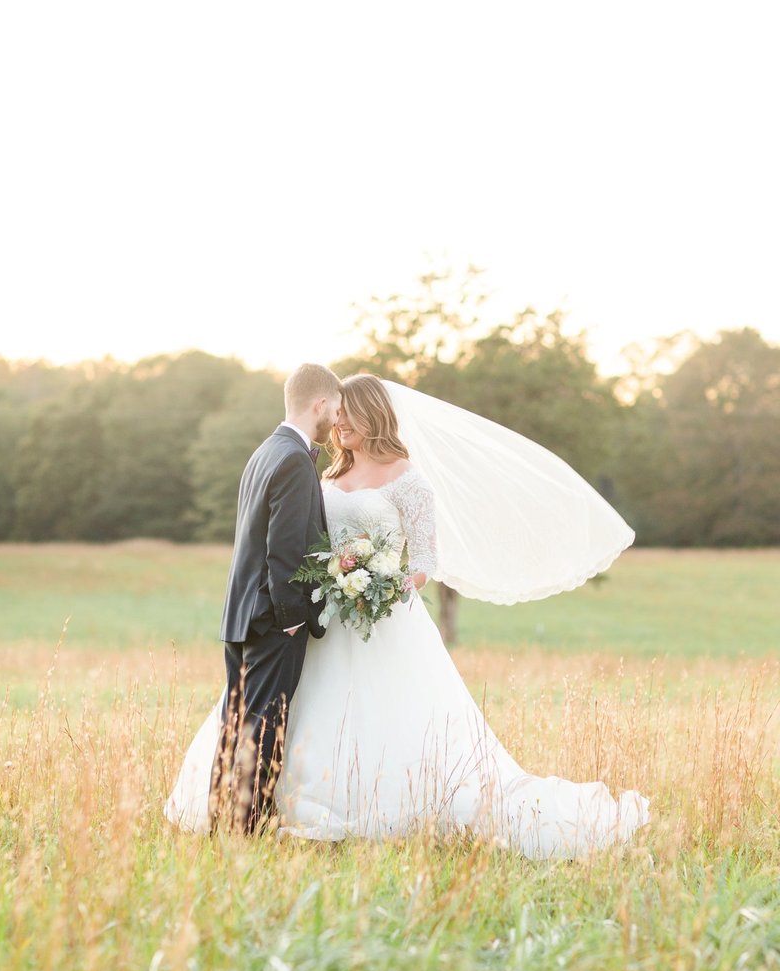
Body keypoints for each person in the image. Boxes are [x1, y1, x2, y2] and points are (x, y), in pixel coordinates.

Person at [166, 374, 650, 857]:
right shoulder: (326, 476)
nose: (339, 425)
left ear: (371, 413)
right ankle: (279, 808)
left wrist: (381, 582)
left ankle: (383, 807)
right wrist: (333, 582)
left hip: (384, 620)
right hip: (326, 620)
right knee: (288, 709)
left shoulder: (408, 479)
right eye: (336, 414)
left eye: (347, 414)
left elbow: (422, 563)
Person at [207, 362, 342, 834]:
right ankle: (246, 832)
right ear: (319, 404)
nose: (337, 421)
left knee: (236, 727)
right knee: (264, 730)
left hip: (241, 616)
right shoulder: (294, 459)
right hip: (272, 621)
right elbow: (282, 549)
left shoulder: (266, 451)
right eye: (336, 408)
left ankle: (222, 823)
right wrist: (291, 617)